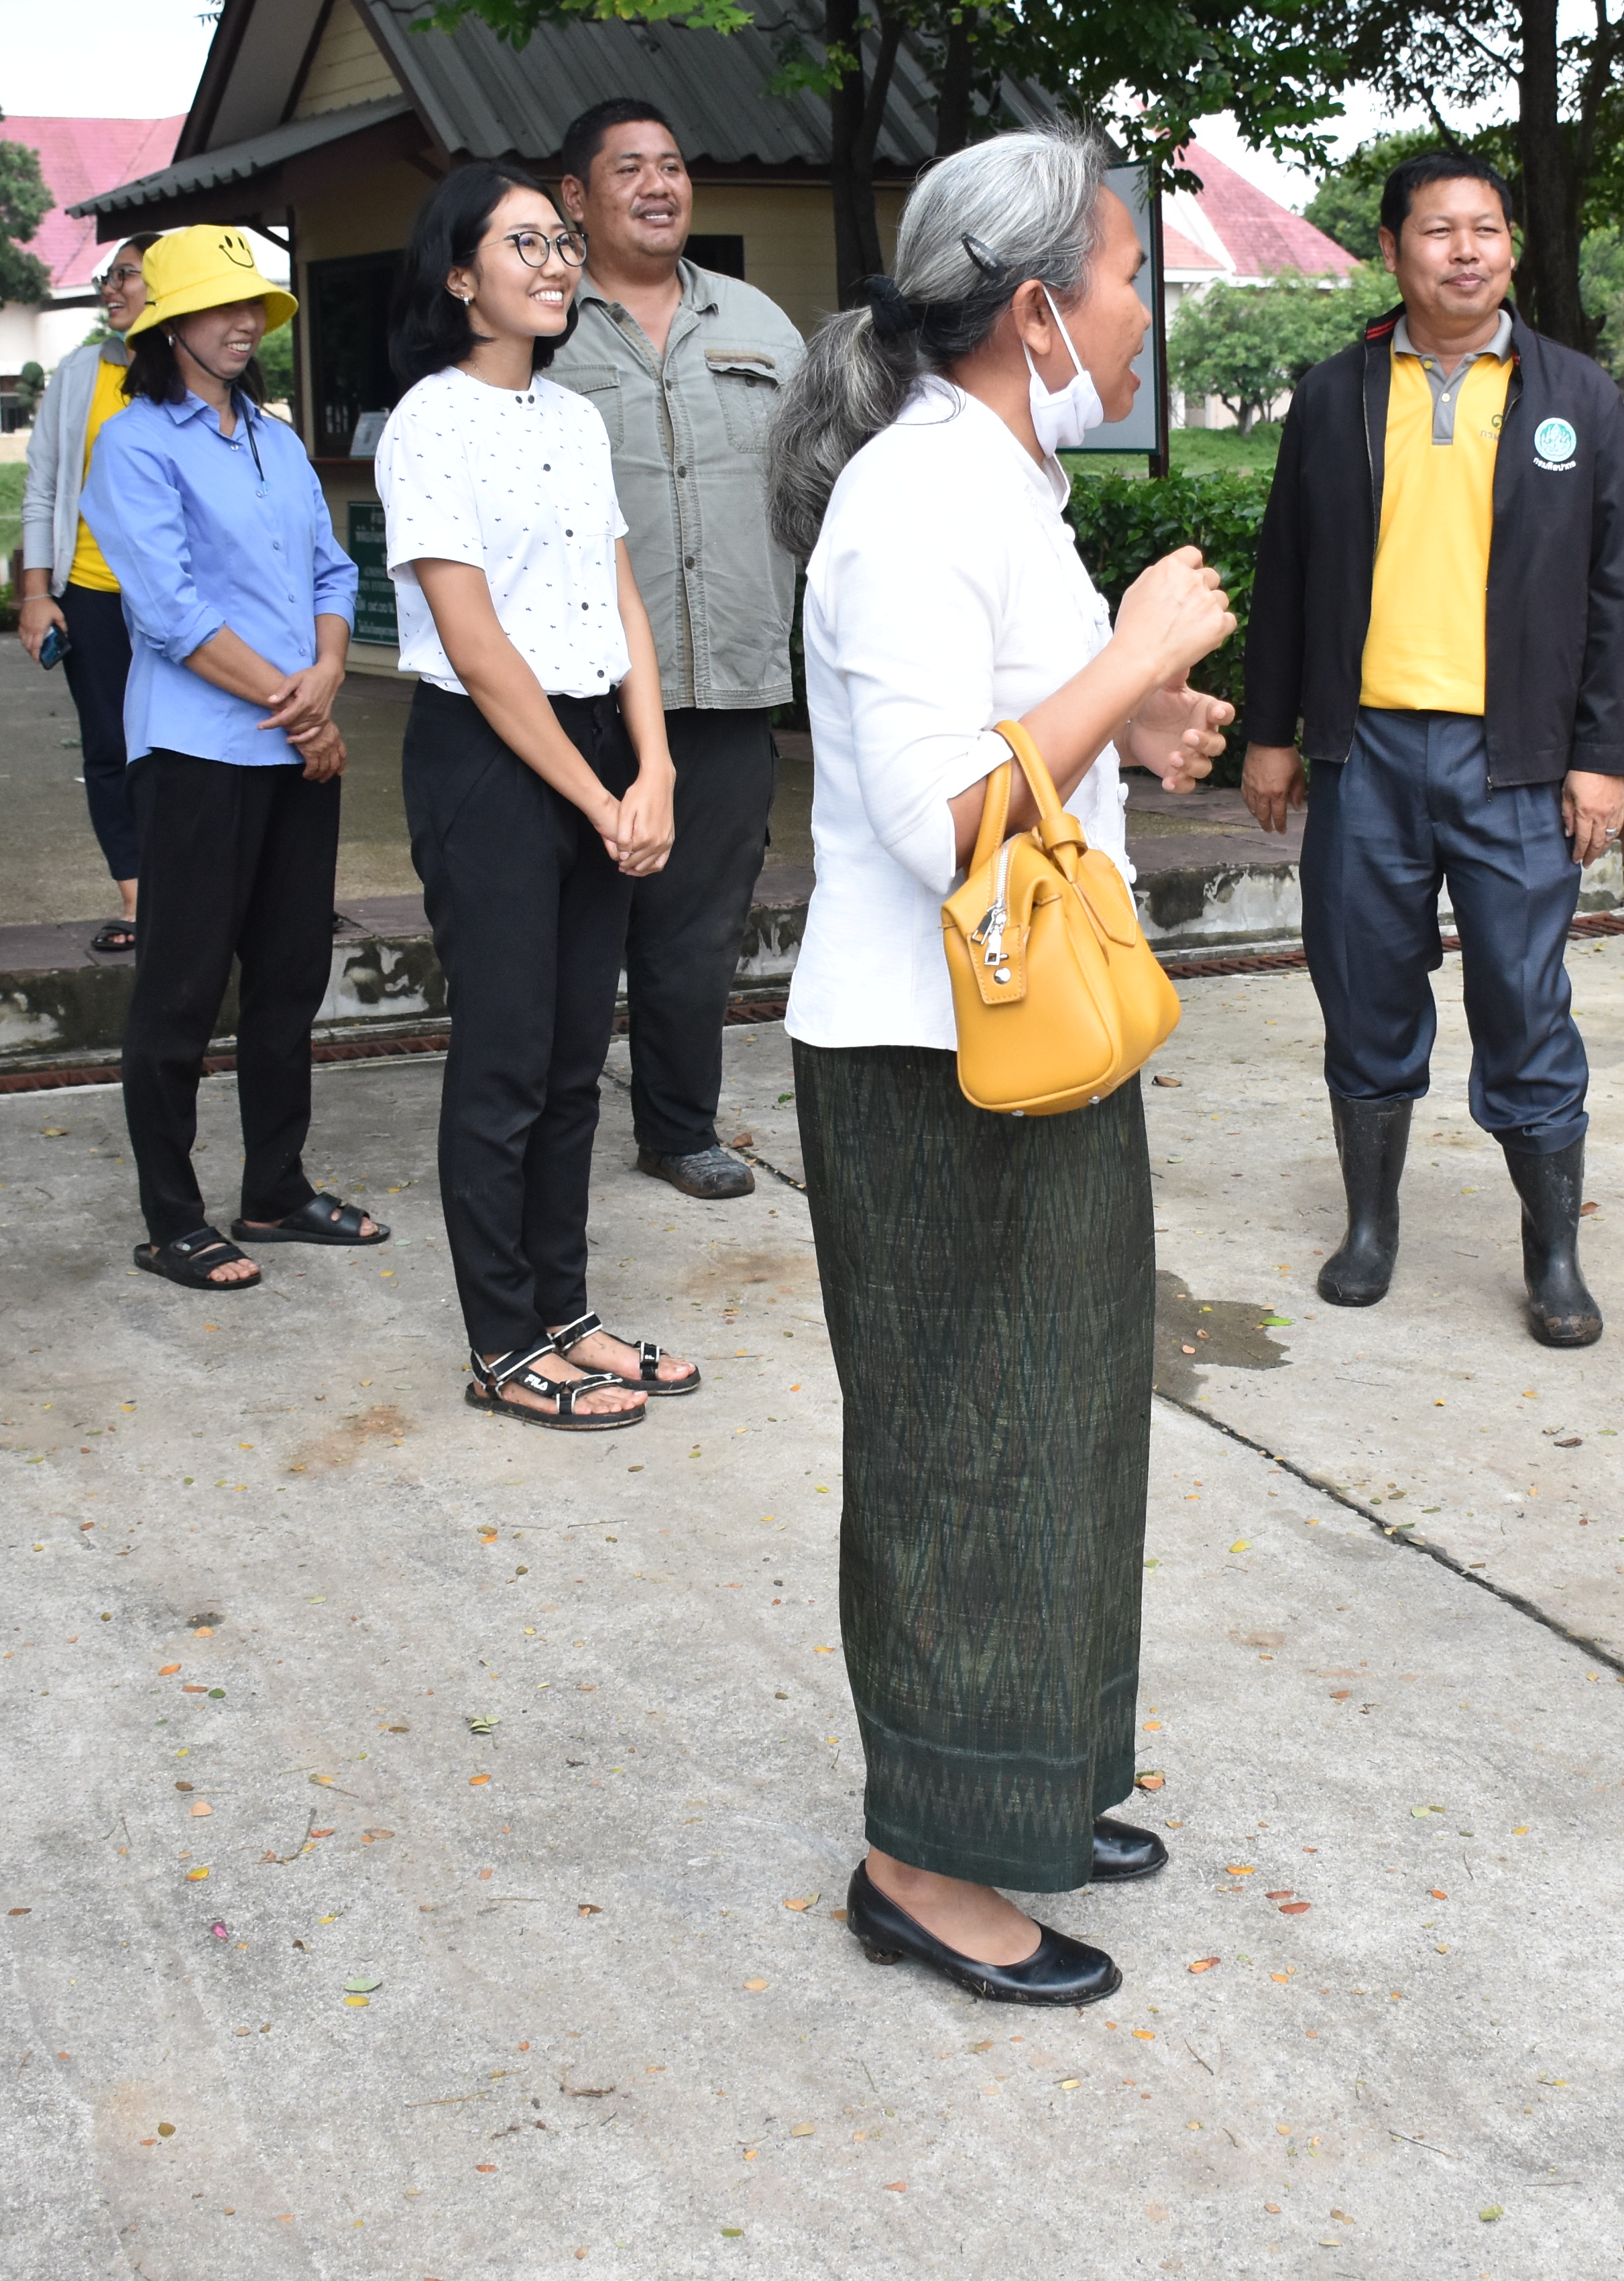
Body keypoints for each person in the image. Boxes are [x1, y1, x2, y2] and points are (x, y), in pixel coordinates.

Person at [767, 127, 1236, 2007]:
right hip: (922, 1058)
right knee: (964, 1450)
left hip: (1029, 1034)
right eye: (1124, 282)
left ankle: (1029, 1783)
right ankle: (921, 1858)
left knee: (1063, 1429)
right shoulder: (910, 499)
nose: (1140, 318)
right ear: (1036, 310)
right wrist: (1129, 659)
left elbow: (1019, 735)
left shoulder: (1002, 480)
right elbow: (938, 815)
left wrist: (1140, 713)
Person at [1238, 150, 1624, 1347]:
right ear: (1392, 249)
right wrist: (1270, 735)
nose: (1466, 251)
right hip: (1364, 754)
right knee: (1364, 991)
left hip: (1515, 761)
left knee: (1525, 1003)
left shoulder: (1576, 393)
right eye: (1438, 230)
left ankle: (1554, 1256)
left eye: (1487, 229)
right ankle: (1370, 1229)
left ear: (1511, 246)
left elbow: (1618, 588)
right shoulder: (1336, 395)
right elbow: (1286, 573)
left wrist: (1600, 755)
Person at [375, 163, 699, 1427]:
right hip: (488, 759)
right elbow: (476, 646)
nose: (558, 261)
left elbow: (620, 604)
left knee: (574, 1063)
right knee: (505, 1061)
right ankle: (503, 1342)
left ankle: (566, 1314)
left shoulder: (574, 419)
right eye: (526, 244)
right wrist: (597, 797)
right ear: (461, 276)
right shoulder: (428, 423)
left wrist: (651, 766)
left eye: (561, 241)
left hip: (598, 749)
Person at [78, 224, 382, 1292]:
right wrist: (300, 712)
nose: (244, 323)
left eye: (252, 305)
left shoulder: (276, 440)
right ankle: (173, 1218)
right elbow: (170, 614)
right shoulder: (134, 444)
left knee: (291, 975)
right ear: (168, 327)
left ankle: (275, 1190)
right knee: (181, 987)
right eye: (219, 307)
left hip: (294, 744)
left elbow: (334, 573)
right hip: (199, 751)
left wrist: (327, 673)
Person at [545, 97, 810, 1199]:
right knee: (564, 930)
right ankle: (543, 1135)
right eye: (630, 169)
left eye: (672, 166)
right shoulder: (541, 326)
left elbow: (821, 485)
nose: (659, 186)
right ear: (575, 196)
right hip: (578, 694)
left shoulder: (759, 322)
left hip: (731, 682)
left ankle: (677, 1127)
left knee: (696, 935)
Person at [17, 233, 159, 953]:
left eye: (126, 275)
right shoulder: (79, 372)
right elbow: (44, 486)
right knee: (111, 745)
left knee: (184, 748)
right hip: (93, 592)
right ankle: (139, 900)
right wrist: (37, 592)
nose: (110, 288)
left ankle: (197, 891)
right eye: (108, 275)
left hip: (177, 597)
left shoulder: (194, 368)